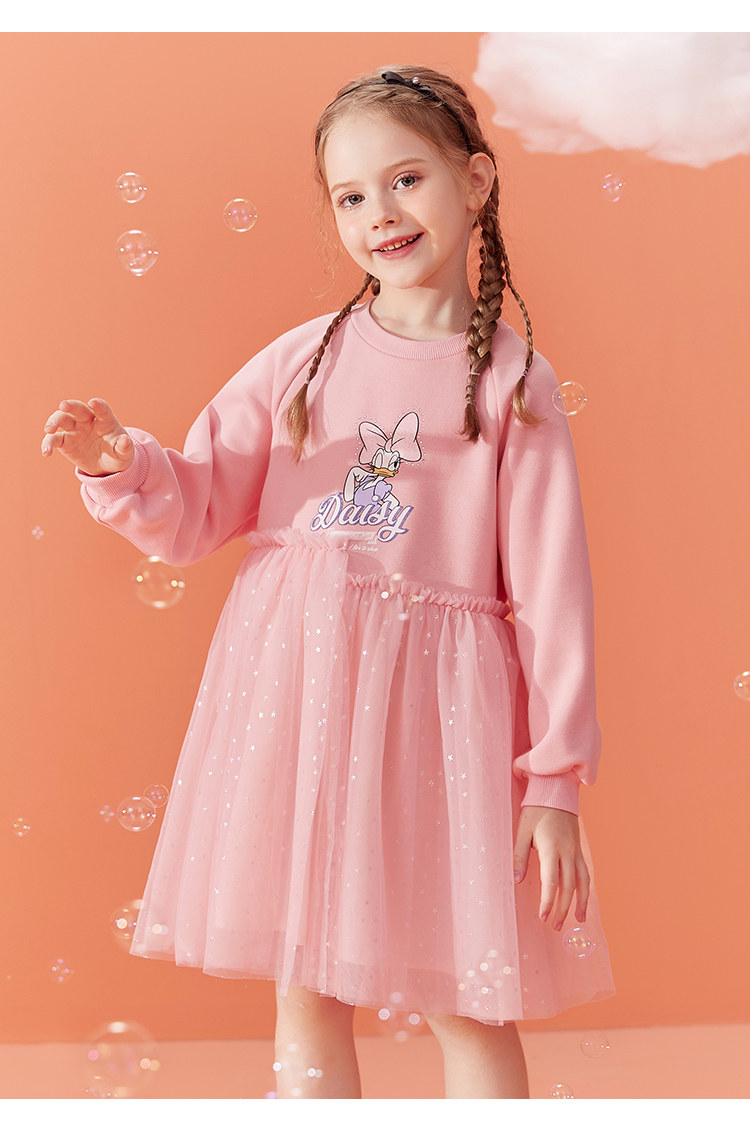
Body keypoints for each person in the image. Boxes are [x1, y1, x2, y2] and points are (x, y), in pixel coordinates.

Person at [41, 65, 615, 1099]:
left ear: (476, 180)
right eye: (351, 196)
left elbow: (552, 599)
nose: (379, 213)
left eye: (406, 180)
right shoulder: (302, 364)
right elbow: (198, 505)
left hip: (439, 731)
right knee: (306, 988)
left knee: (468, 999)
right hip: (301, 712)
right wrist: (118, 463)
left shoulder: (511, 385)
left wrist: (554, 782)